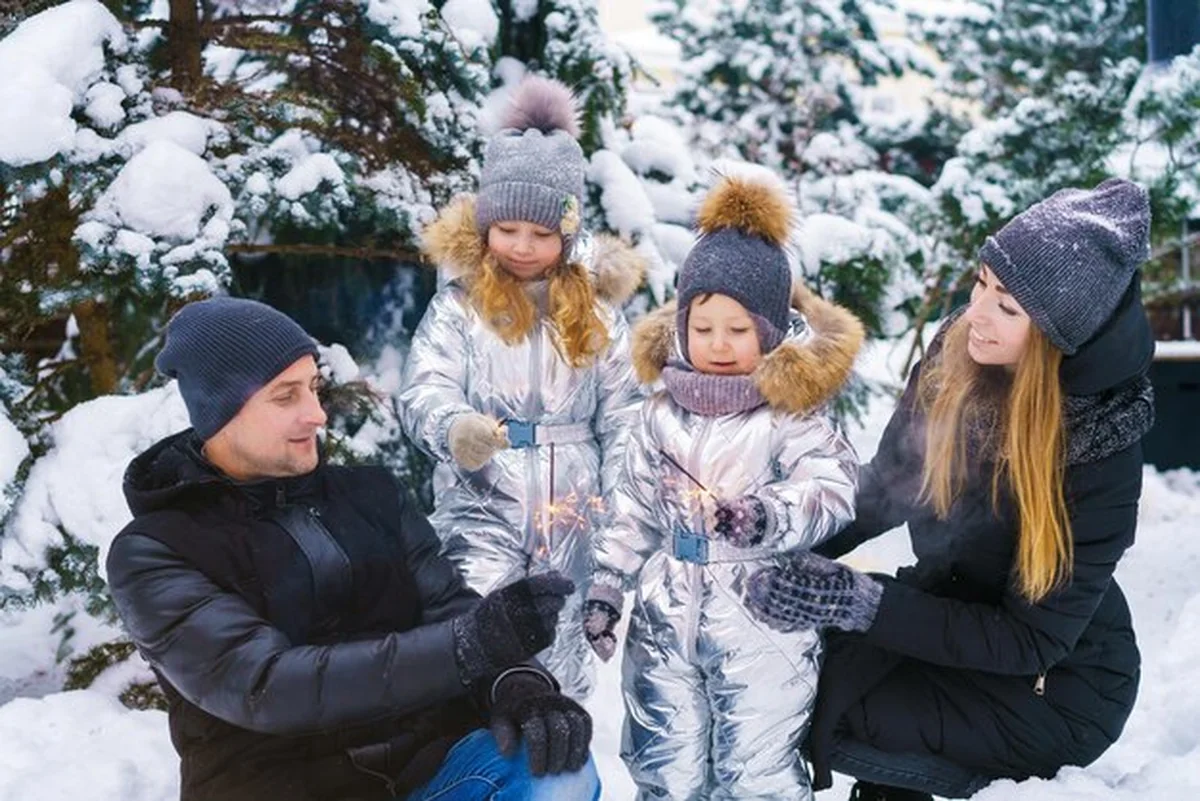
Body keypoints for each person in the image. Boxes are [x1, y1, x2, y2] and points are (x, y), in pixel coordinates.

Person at [745, 178, 1156, 801]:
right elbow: (888, 485)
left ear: (1056, 338)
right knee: (787, 664)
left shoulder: (1102, 447)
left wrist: (858, 601)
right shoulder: (958, 358)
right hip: (950, 610)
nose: (977, 316)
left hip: (1056, 683)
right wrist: (776, 530)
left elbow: (1030, 639)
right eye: (982, 283)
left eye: (1008, 307)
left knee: (837, 704)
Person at [106, 297, 600, 801]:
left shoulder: (372, 495)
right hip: (274, 786)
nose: (316, 414)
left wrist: (518, 682)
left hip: (425, 772)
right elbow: (266, 686)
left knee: (558, 772)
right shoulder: (155, 551)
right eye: (285, 397)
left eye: (315, 389)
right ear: (219, 410)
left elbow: (449, 608)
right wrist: (465, 646)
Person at [583, 172, 864, 800]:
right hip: (664, 620)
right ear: (680, 324)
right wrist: (607, 585)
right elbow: (631, 509)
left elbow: (834, 485)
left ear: (768, 333)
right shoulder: (658, 413)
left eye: (738, 330)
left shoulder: (789, 412)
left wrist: (769, 515)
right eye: (703, 327)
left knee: (754, 770)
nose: (717, 344)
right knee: (665, 763)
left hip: (763, 618)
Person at [399, 76, 645, 700]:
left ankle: (552, 765)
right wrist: (455, 428)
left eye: (541, 235)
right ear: (485, 229)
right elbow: (424, 388)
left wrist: (621, 508)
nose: (523, 247)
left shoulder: (598, 315)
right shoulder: (459, 308)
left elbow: (624, 416)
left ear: (566, 236)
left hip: (574, 512)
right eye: (507, 230)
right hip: (483, 502)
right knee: (474, 635)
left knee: (557, 652)